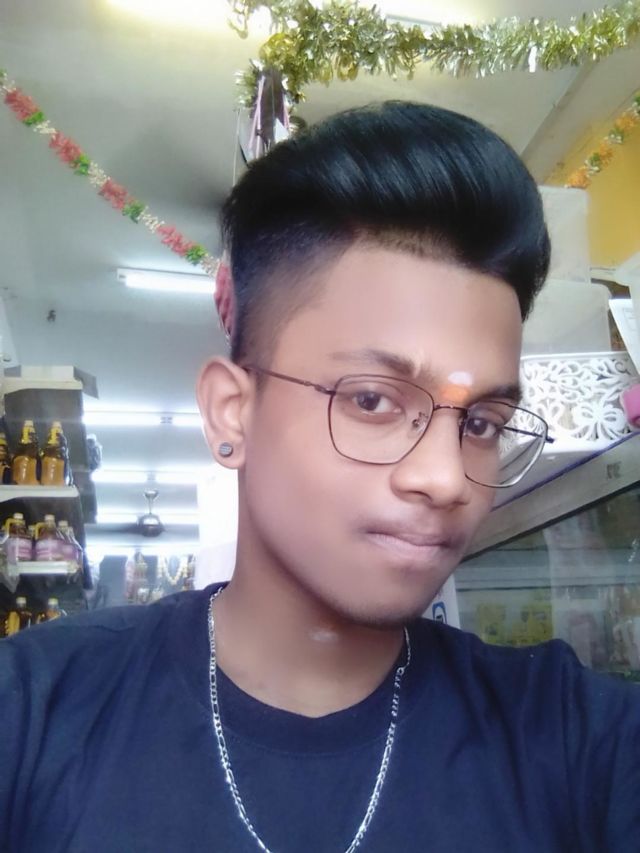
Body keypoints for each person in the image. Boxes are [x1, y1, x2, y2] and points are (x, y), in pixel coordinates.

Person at [1, 101, 638, 853]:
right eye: (371, 400)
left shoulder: (574, 739)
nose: (445, 479)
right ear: (232, 414)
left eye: (480, 424)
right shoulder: (34, 715)